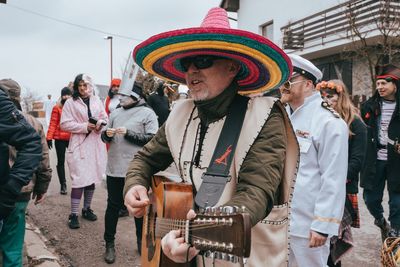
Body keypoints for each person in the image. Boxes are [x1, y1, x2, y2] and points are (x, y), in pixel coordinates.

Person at [123, 7, 299, 266]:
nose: (192, 70)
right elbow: (145, 158)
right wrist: (134, 185)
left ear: (233, 67)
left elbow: (257, 192)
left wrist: (195, 236)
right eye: (187, 63)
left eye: (204, 60)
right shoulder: (180, 113)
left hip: (243, 258)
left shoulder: (264, 115)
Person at [280, 55, 349, 267]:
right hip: (283, 220)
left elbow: (334, 179)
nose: (282, 87)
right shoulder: (287, 117)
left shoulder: (329, 122)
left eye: (288, 81)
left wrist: (322, 224)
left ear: (308, 84)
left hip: (308, 224)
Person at [101, 81, 158, 263]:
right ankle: (109, 244)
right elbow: (104, 134)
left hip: (137, 171)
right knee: (112, 206)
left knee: (139, 209)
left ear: (136, 96)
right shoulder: (115, 113)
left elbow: (153, 140)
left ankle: (141, 242)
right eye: (120, 95)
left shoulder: (148, 113)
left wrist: (128, 133)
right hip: (114, 168)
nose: (120, 98)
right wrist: (106, 135)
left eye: (124, 95)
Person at [0, 78, 52, 267]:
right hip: (20, 191)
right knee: (13, 246)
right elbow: (42, 158)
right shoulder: (33, 122)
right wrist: (42, 187)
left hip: (5, 187)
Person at [316, 79, 367, 266]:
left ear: (341, 96)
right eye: (322, 97)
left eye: (330, 97)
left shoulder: (356, 124)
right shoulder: (319, 120)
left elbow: (357, 160)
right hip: (320, 184)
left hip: (343, 186)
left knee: (334, 238)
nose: (326, 100)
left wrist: (337, 180)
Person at [60, 74, 108, 229]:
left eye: (85, 84)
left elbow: (104, 118)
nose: (82, 88)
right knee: (79, 179)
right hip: (79, 144)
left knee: (91, 177)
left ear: (90, 85)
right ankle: (73, 214)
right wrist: (84, 126)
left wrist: (100, 124)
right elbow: (65, 124)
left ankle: (86, 209)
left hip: (94, 144)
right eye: (79, 85)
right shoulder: (70, 103)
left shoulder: (97, 101)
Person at [360, 64, 400, 239]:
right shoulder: (369, 106)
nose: (381, 87)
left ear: (396, 85)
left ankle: (395, 229)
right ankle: (380, 220)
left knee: (397, 198)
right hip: (374, 159)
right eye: (378, 84)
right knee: (370, 198)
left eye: (385, 83)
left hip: (396, 159)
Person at [47, 87, 72, 195]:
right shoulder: (57, 108)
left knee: (74, 161)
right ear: (61, 96)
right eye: (64, 95)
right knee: (60, 161)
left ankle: (77, 182)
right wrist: (49, 138)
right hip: (60, 139)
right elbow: (53, 123)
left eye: (68, 94)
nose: (66, 96)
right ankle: (63, 184)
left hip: (72, 138)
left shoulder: (74, 107)